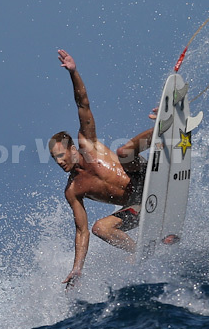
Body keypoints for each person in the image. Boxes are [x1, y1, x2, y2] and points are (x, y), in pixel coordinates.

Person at [49, 49, 154, 289]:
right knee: (99, 228)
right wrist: (77, 268)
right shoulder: (73, 190)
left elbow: (82, 103)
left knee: (123, 153)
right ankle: (142, 253)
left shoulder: (88, 143)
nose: (58, 162)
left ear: (72, 148)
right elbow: (82, 231)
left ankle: (162, 128)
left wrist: (73, 73)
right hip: (138, 207)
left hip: (145, 175)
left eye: (59, 155)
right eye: (53, 159)